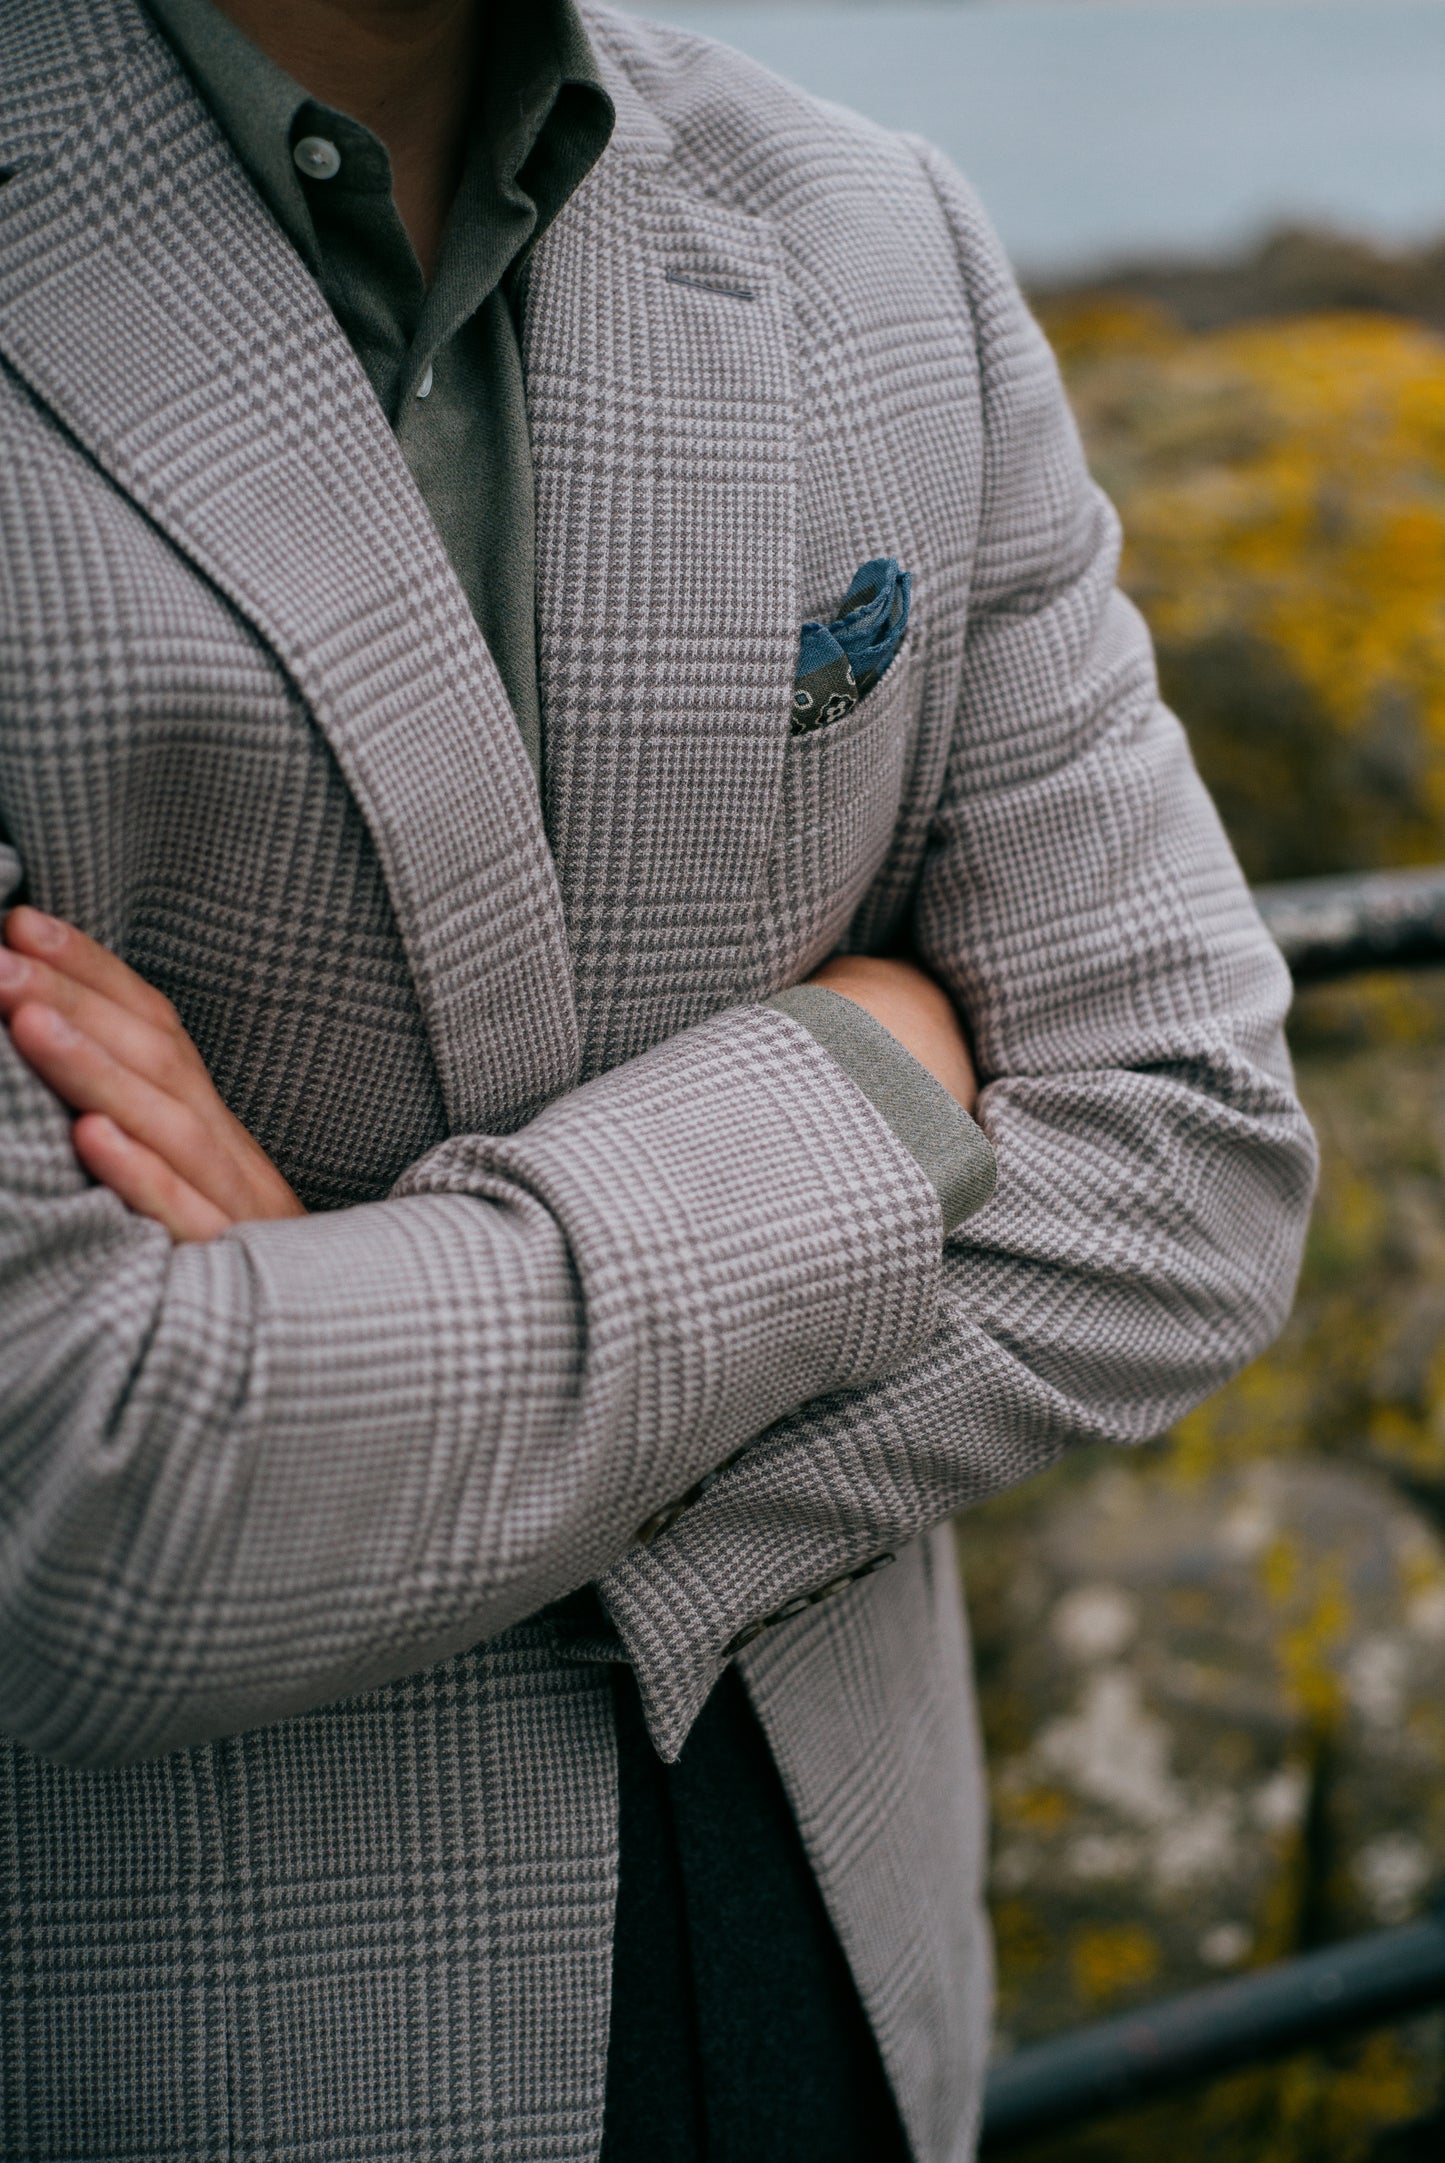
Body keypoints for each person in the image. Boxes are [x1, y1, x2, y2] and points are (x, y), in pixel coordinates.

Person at [0, 1, 1317, 2157]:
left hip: (847, 1978)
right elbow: (83, 1480)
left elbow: (1191, 1159)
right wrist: (870, 1067)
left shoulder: (884, 236)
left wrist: (360, 1351)